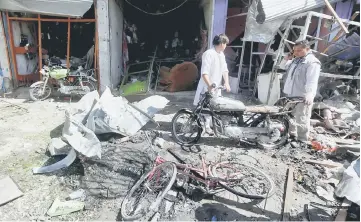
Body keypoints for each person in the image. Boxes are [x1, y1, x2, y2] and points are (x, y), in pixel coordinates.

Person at [280, 40, 321, 146]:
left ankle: (302, 140)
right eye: (294, 51)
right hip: (290, 94)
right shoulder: (296, 60)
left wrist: (310, 94)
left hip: (302, 95)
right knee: (290, 117)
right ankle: (292, 136)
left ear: (307, 49)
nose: (296, 53)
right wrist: (286, 59)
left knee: (302, 117)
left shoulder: (312, 62)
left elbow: (312, 80)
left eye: (299, 50)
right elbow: (282, 66)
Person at [193, 34, 231, 134]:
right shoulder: (209, 53)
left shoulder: (221, 54)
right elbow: (204, 73)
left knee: (213, 107)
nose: (226, 46)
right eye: (225, 43)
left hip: (216, 86)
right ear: (221, 43)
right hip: (207, 85)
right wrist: (209, 85)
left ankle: (209, 125)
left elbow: (224, 70)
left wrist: (226, 82)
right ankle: (203, 127)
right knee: (204, 107)